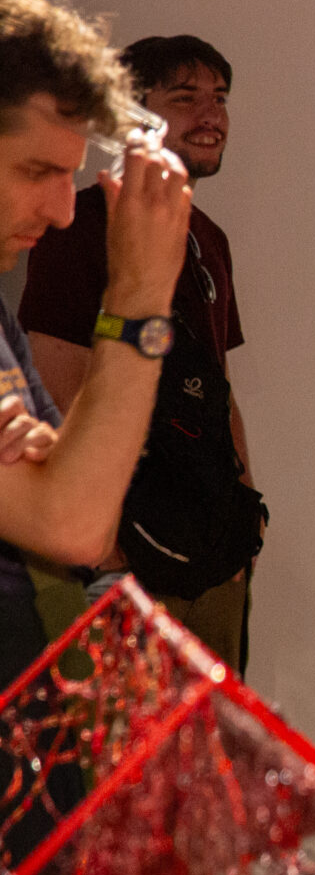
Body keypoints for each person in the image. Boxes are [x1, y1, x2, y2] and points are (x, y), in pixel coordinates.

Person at [0, 0, 194, 860]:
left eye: (71, 174)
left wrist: (58, 469)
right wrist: (141, 297)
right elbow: (76, 522)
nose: (63, 209)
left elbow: (81, 504)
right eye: (35, 171)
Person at [21, 34, 261, 669]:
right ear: (132, 115)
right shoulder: (78, 228)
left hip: (212, 552)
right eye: (185, 98)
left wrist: (245, 517)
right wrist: (108, 553)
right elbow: (57, 387)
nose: (210, 115)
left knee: (211, 729)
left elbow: (217, 389)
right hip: (123, 561)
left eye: (219, 98)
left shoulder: (210, 240)